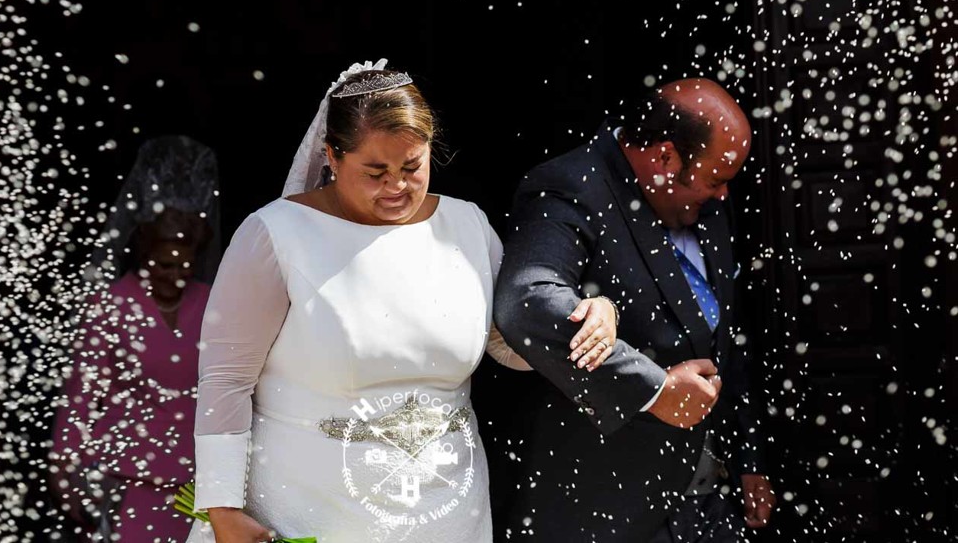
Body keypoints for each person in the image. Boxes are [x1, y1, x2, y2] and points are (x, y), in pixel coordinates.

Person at [186, 60, 620, 543]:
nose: (396, 186)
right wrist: (222, 508)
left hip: (450, 516)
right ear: (332, 156)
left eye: (412, 167)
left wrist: (591, 315)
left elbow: (512, 345)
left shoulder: (467, 225)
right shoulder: (274, 234)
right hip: (306, 512)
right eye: (375, 172)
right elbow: (226, 379)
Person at [493, 78, 775, 542]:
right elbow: (528, 301)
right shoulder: (571, 186)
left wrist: (749, 458)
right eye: (716, 179)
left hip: (711, 508)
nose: (724, 194)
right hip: (607, 509)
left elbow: (727, 337)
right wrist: (654, 390)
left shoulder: (707, 204)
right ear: (665, 158)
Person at [50, 135, 221, 542]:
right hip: (125, 484)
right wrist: (64, 465)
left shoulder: (213, 304)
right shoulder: (111, 305)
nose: (174, 275)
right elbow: (81, 394)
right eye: (163, 264)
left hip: (201, 487)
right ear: (143, 251)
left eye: (184, 265)